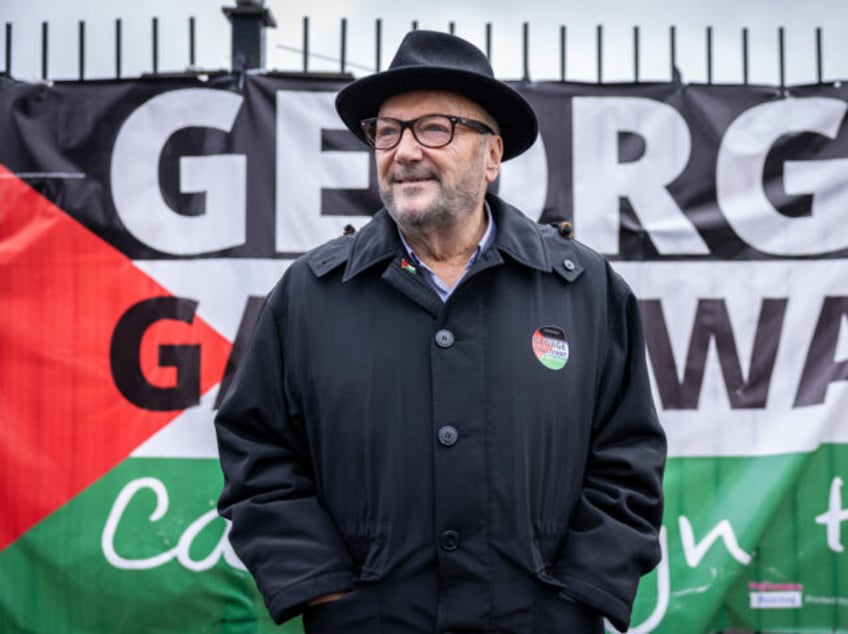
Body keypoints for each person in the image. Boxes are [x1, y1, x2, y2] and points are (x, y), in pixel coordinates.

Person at [215, 29, 666, 634]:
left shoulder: (584, 290)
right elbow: (257, 457)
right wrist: (323, 591)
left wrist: (578, 594)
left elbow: (628, 459)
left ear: (492, 156)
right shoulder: (310, 294)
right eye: (387, 130)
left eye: (434, 128)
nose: (403, 151)